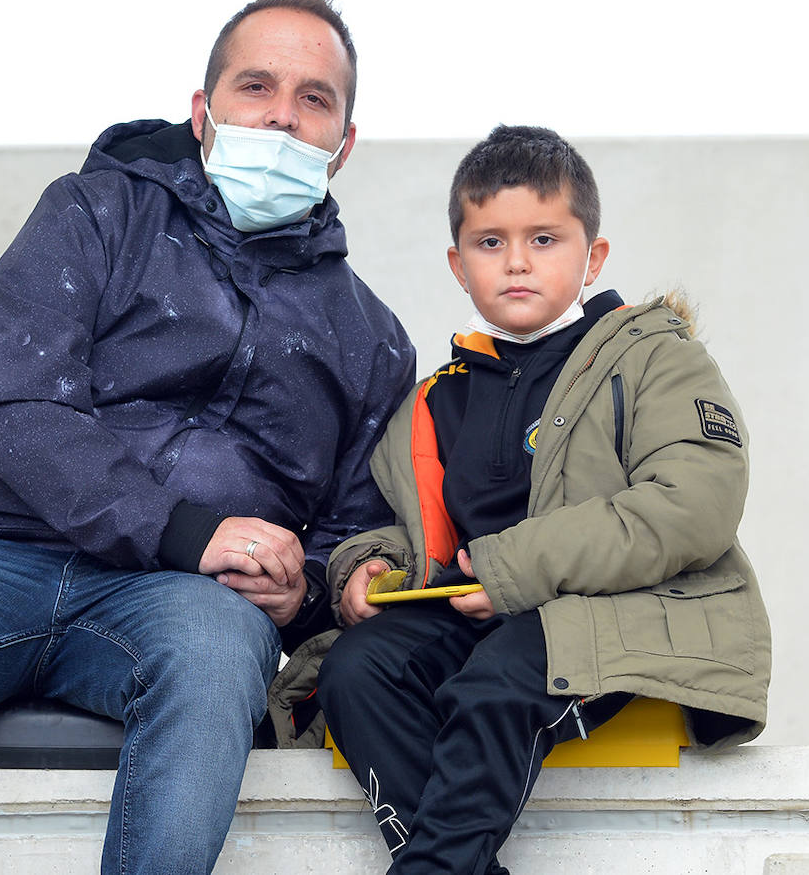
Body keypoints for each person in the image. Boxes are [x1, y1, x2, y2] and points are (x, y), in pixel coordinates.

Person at [0, 0, 415, 875]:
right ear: (203, 112)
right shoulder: (94, 213)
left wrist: (301, 590)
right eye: (255, 86)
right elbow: (12, 400)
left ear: (343, 146)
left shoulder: (373, 341)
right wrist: (187, 529)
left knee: (217, 664)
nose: (281, 116)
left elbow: (349, 533)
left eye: (315, 100)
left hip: (178, 599)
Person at [316, 125, 771, 874]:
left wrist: (513, 569)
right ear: (459, 266)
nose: (518, 260)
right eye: (490, 243)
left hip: (616, 611)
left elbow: (693, 504)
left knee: (496, 687)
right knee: (359, 671)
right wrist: (368, 566)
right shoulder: (437, 399)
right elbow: (406, 526)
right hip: (473, 617)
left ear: (592, 257)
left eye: (545, 239)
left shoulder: (656, 359)